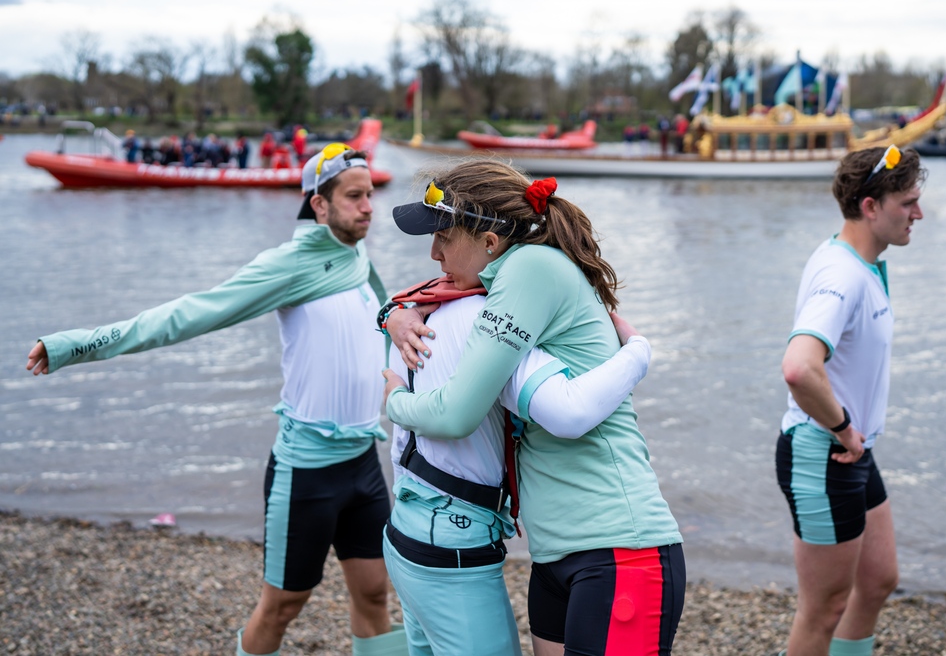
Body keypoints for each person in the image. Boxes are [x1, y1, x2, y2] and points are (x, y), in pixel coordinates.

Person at [25, 143, 406, 656]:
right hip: (307, 470)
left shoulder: (355, 255)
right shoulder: (288, 266)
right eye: (355, 197)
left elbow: (379, 319)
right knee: (283, 606)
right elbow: (188, 314)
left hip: (364, 461)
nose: (369, 207)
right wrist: (78, 345)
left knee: (375, 593)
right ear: (319, 204)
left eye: (369, 196)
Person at [383, 160, 685, 656]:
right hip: (555, 551)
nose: (433, 251)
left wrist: (396, 400)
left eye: (443, 234)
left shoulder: (529, 269)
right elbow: (442, 308)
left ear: (490, 240)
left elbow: (459, 414)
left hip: (620, 543)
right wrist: (395, 314)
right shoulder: (512, 275)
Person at [379, 270, 653, 656]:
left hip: (406, 525)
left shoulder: (418, 304)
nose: (434, 254)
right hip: (453, 538)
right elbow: (569, 410)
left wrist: (389, 312)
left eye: (442, 237)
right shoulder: (489, 322)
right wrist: (638, 352)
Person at [775, 145, 925, 656]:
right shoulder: (842, 275)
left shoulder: (863, 263)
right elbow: (799, 367)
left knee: (879, 578)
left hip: (853, 448)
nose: (918, 213)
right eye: (908, 202)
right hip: (826, 450)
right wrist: (843, 427)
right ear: (870, 206)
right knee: (823, 610)